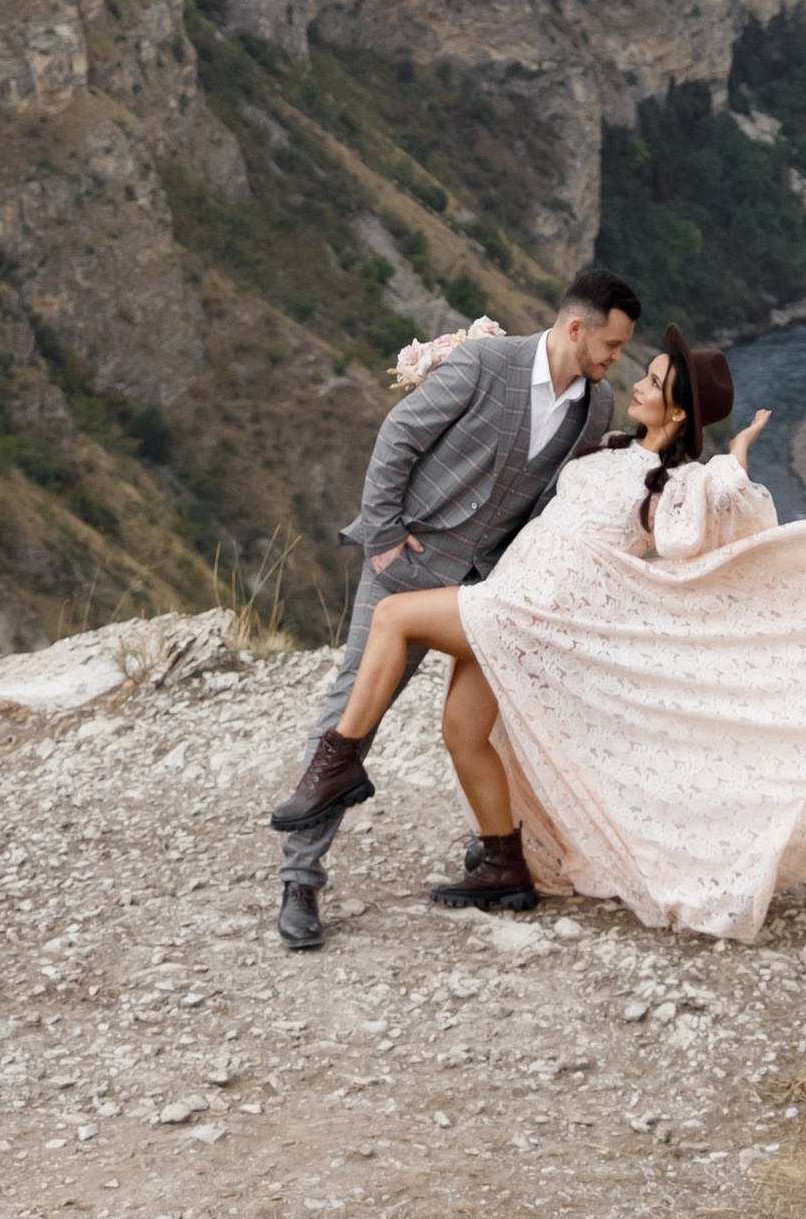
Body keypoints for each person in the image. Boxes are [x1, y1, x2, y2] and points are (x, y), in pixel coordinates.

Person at [270, 321, 806, 942]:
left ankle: (338, 764)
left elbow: (699, 535)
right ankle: (504, 864)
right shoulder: (604, 442)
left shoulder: (673, 481)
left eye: (653, 380)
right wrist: (470, 365)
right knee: (462, 730)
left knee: (397, 616)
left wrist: (734, 465)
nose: (636, 381)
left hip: (535, 613)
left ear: (678, 409)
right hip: (513, 598)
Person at [270, 266, 639, 950]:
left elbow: (565, 497)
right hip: (408, 570)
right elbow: (398, 438)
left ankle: (497, 852)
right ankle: (301, 879)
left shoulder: (599, 405)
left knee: (489, 723)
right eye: (611, 345)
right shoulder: (483, 363)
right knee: (351, 717)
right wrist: (383, 540)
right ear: (576, 328)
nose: (616, 358)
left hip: (489, 589)